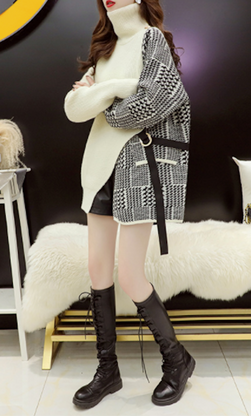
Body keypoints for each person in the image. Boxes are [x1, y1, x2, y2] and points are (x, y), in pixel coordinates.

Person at [64, 0, 194, 408]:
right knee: (97, 269)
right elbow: (73, 109)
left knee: (131, 274)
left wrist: (102, 95)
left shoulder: (150, 39)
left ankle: (177, 361)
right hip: (98, 169)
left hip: (137, 171)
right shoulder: (105, 49)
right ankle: (108, 370)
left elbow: (153, 102)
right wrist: (119, 87)